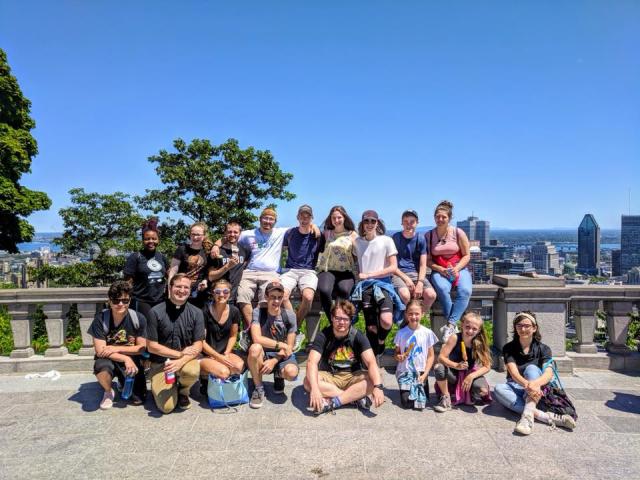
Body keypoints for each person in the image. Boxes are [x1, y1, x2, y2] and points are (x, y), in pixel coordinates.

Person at [493, 311, 577, 435]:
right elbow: (513, 372)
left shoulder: (543, 349)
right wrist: (528, 386)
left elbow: (548, 373)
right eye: (519, 325)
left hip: (539, 389)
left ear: (534, 328)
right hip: (517, 386)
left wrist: (534, 385)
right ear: (515, 328)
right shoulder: (509, 348)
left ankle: (527, 419)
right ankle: (545, 416)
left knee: (531, 369)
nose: (523, 329)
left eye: (527, 325)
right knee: (499, 389)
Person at [304, 299, 385, 415]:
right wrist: (315, 389)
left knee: (376, 378)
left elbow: (371, 362)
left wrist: (378, 387)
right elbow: (311, 362)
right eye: (338, 318)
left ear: (351, 320)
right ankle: (354, 398)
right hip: (330, 376)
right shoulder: (323, 335)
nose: (341, 322)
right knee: (308, 382)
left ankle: (334, 402)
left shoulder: (358, 336)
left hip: (353, 376)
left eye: (345, 319)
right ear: (332, 318)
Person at [146, 273, 205, 413]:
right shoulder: (155, 312)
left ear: (190, 290)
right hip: (161, 364)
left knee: (192, 370)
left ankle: (183, 391)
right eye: (178, 286)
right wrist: (178, 353)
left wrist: (180, 360)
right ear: (170, 287)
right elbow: (152, 346)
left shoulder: (197, 312)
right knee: (166, 408)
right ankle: (168, 386)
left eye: (186, 287)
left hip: (185, 361)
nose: (182, 290)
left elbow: (198, 345)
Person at [88, 280, 147, 409]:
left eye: (125, 301)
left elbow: (141, 348)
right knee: (101, 367)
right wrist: (126, 358)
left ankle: (122, 380)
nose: (120, 304)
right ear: (109, 301)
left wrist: (114, 348)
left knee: (138, 400)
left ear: (130, 301)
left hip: (131, 357)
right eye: (116, 301)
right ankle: (108, 391)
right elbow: (100, 351)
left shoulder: (138, 318)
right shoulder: (101, 319)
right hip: (110, 358)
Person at [351, 209, 403, 355]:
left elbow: (393, 267)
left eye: (372, 221)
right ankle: (374, 355)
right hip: (365, 287)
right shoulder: (357, 243)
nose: (369, 224)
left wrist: (369, 274)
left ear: (377, 223)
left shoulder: (387, 240)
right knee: (371, 326)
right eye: (366, 221)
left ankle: (381, 341)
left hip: (383, 284)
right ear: (362, 224)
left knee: (386, 321)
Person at [247, 281, 298, 408]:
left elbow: (289, 347)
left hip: (281, 355)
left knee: (292, 373)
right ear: (266, 297)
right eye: (272, 297)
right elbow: (257, 338)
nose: (276, 301)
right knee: (254, 348)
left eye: (279, 297)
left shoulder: (289, 315)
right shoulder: (258, 312)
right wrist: (281, 344)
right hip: (263, 353)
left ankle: (278, 375)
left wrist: (274, 360)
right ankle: (258, 388)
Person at [426, 200, 472, 341]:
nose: (440, 219)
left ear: (449, 218)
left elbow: (467, 255)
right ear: (434, 217)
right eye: (438, 217)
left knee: (465, 291)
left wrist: (456, 269)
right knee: (442, 289)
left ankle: (450, 324)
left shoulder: (458, 233)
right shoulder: (429, 236)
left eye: (443, 217)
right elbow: (428, 260)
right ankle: (453, 325)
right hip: (439, 269)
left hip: (459, 267)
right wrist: (440, 269)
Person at [433, 311, 491, 412]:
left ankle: (470, 394)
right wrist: (456, 365)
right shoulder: (455, 338)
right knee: (439, 367)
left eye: (474, 329)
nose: (470, 331)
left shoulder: (480, 342)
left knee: (483, 391)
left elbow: (487, 366)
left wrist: (471, 376)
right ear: (462, 325)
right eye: (467, 327)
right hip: (454, 374)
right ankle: (446, 398)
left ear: (479, 330)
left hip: (470, 372)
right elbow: (441, 358)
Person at [281, 205, 320, 343]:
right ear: (297, 217)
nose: (304, 219)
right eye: (302, 216)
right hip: (290, 270)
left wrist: (315, 227)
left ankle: (294, 327)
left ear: (311, 218)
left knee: (308, 297)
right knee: (283, 295)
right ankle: (294, 329)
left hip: (308, 271)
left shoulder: (317, 234)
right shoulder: (290, 233)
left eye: (307, 216)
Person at [199, 279, 245, 394]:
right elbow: (201, 341)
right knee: (224, 372)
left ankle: (218, 380)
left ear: (230, 293)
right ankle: (205, 377)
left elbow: (233, 336)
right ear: (212, 293)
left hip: (224, 352)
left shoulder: (234, 311)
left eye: (225, 291)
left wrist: (226, 353)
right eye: (217, 291)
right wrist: (217, 357)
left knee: (239, 367)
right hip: (206, 354)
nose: (221, 294)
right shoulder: (204, 311)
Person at [394, 299, 438, 410]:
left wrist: (425, 374)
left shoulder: (427, 333)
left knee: (423, 402)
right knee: (407, 403)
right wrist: (399, 356)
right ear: (406, 315)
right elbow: (396, 353)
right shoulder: (401, 333)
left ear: (422, 314)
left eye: (417, 314)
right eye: (410, 314)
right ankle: (405, 389)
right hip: (405, 371)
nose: (414, 317)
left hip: (421, 371)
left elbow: (431, 356)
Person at [316, 205, 358, 320]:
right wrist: (313, 226)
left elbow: (359, 255)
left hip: (346, 271)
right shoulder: (327, 233)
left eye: (339, 217)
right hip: (327, 270)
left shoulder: (352, 235)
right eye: (334, 218)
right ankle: (333, 321)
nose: (336, 220)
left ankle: (343, 319)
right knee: (324, 291)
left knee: (344, 291)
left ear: (344, 218)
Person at [391, 209, 437, 310]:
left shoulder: (420, 239)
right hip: (399, 273)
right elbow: (392, 265)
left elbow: (423, 264)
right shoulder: (396, 238)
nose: (409, 225)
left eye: (412, 222)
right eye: (406, 222)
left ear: (417, 223)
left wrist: (420, 283)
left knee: (431, 295)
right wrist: (406, 279)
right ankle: (408, 319)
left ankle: (419, 317)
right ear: (402, 223)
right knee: (405, 295)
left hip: (416, 274)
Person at [123, 217, 168, 320]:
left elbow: (169, 276)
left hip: (160, 301)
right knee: (144, 330)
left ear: (158, 240)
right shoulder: (135, 257)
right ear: (143, 240)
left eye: (154, 238)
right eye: (147, 239)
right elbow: (128, 282)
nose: (151, 241)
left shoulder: (161, 257)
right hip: (141, 301)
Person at [168, 222, 211, 308]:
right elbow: (173, 271)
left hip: (199, 293)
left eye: (198, 234)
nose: (195, 237)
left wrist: (205, 280)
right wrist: (170, 290)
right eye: (193, 234)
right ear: (190, 235)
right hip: (181, 291)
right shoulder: (182, 249)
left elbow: (209, 271)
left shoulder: (208, 251)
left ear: (204, 236)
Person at [207, 221, 251, 305]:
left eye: (235, 232)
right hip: (217, 297)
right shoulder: (217, 252)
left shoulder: (245, 250)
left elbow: (246, 264)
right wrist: (227, 266)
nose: (232, 234)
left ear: (240, 233)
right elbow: (211, 276)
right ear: (225, 233)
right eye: (229, 232)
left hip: (234, 298)